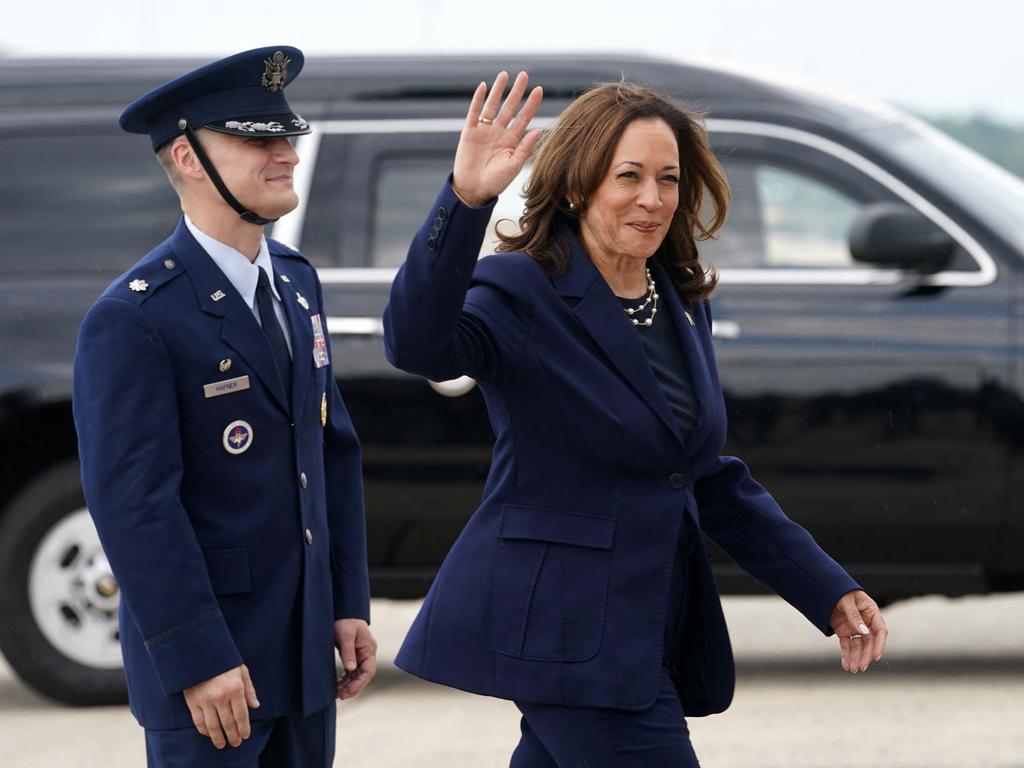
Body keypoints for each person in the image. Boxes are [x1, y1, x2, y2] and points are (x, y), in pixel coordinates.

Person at [384, 71, 889, 766]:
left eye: (669, 179)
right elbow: (417, 344)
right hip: (564, 634)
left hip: (641, 632)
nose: (653, 199)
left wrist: (826, 587)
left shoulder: (679, 298)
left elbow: (701, 476)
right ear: (576, 185)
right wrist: (465, 200)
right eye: (629, 176)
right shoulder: (522, 288)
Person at [72, 46, 376, 768]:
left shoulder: (298, 285)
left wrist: (346, 602)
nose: (286, 155)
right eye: (257, 138)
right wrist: (196, 656)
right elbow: (135, 505)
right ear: (186, 156)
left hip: (302, 658)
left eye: (287, 137)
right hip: (213, 676)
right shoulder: (135, 317)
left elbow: (331, 452)